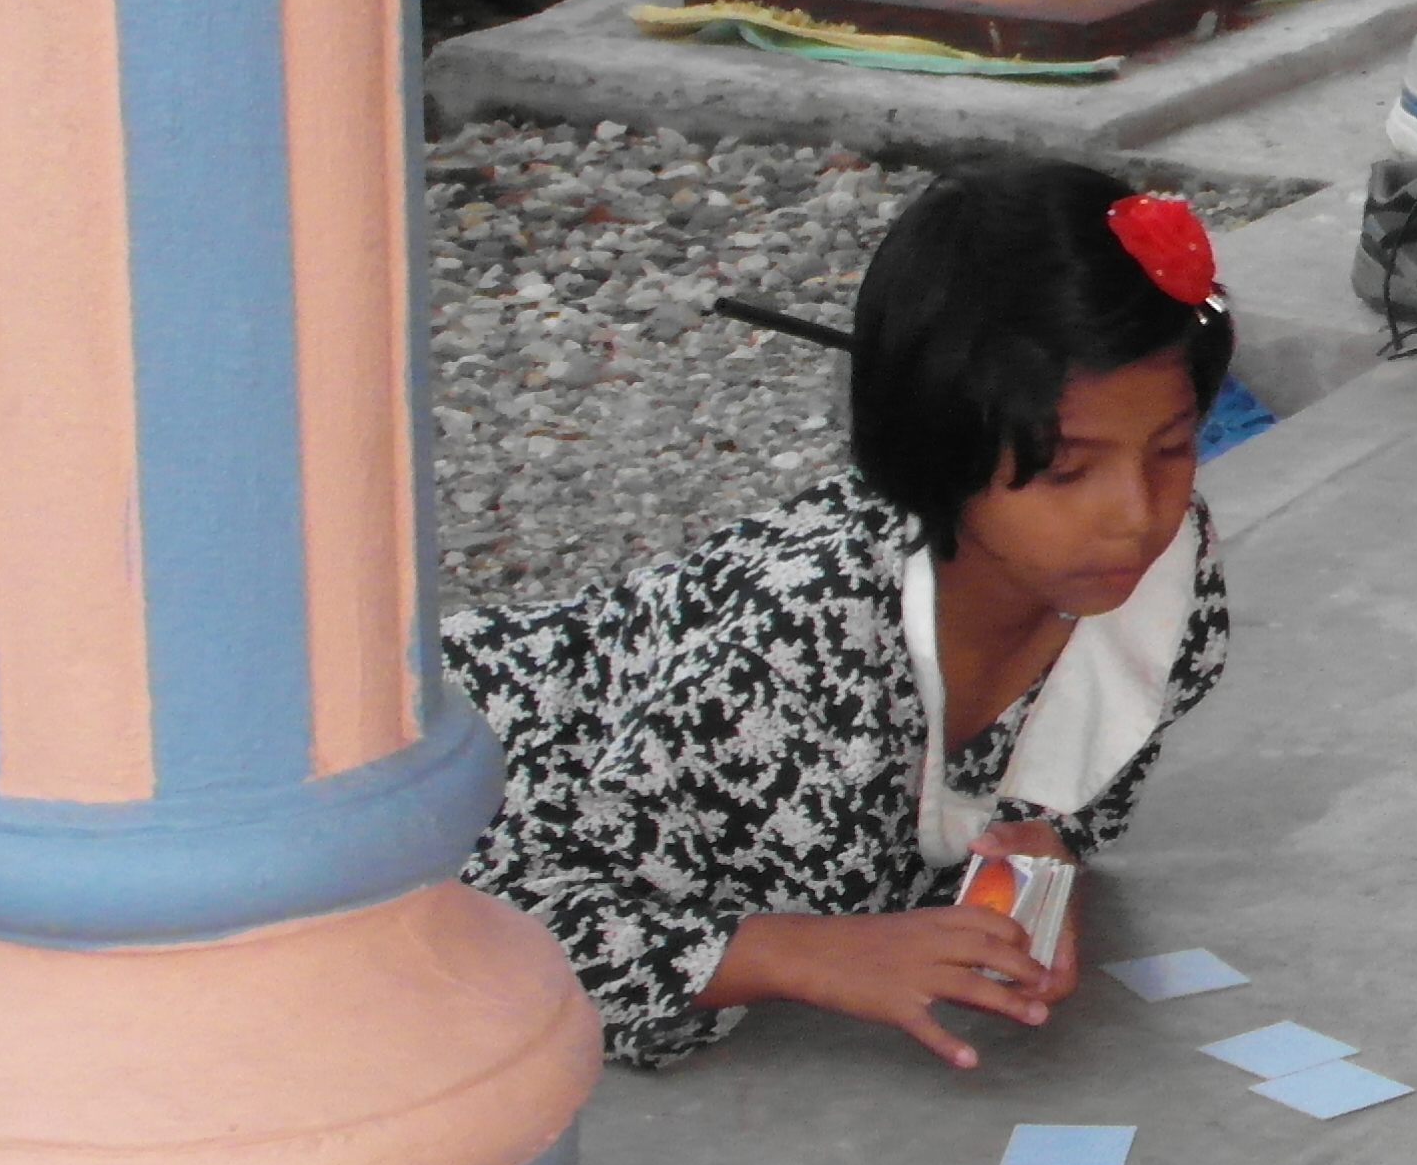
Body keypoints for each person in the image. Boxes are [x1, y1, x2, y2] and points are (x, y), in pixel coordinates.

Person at [451, 159, 1234, 1069]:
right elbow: (492, 925)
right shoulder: (786, 652)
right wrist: (795, 952)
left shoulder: (1163, 582)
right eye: (1067, 472)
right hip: (419, 763)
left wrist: (1037, 857)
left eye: (1171, 449)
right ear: (934, 452)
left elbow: (1073, 803)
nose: (1137, 514)